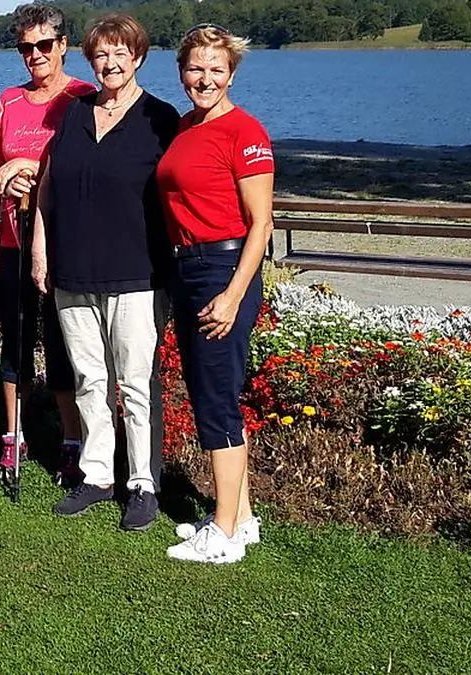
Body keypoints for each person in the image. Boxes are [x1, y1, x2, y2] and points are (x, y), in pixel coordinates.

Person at [31, 14, 179, 530]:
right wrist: (40, 251)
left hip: (137, 274)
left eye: (121, 53)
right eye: (101, 54)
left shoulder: (161, 119)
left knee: (136, 385)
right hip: (73, 272)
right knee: (91, 379)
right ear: (89, 61)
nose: (110, 63)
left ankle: (143, 483)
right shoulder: (73, 114)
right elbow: (49, 187)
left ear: (138, 57)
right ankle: (97, 476)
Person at [157, 24, 273, 564]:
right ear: (182, 70)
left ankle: (223, 535)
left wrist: (231, 294)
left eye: (216, 69)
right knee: (209, 389)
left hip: (222, 267)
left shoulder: (244, 131)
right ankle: (241, 518)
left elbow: (262, 224)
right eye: (195, 68)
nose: (204, 79)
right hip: (188, 265)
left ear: (232, 74)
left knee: (216, 399)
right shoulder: (185, 127)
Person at [0, 3, 96, 482]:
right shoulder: (9, 101)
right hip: (13, 239)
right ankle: (15, 436)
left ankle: (73, 440)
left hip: (65, 243)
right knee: (17, 340)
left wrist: (29, 168)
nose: (35, 55)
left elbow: (88, 168)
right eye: (25, 47)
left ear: (63, 45)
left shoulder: (84, 96)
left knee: (64, 344)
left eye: (44, 45)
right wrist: (3, 177)